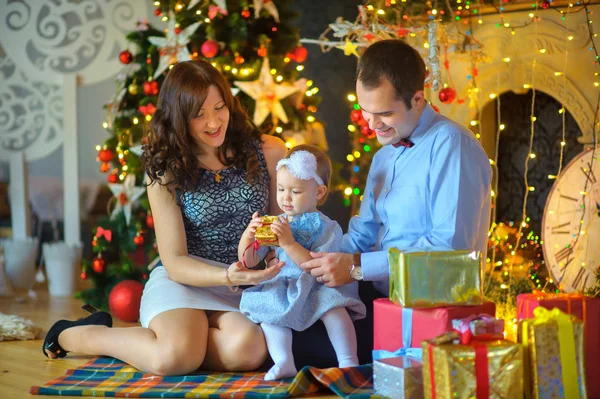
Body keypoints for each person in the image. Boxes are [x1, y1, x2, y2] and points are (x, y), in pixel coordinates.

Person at [42, 59, 288, 376]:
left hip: (244, 283)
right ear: (179, 118)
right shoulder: (164, 168)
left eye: (219, 107)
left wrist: (269, 261)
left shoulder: (270, 151)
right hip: (184, 280)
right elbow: (174, 260)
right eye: (199, 114)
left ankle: (183, 343)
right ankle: (75, 334)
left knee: (249, 350)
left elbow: (278, 224)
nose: (214, 122)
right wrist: (229, 275)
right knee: (173, 359)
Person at [298, 39, 492, 363]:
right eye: (365, 111)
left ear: (417, 99)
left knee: (301, 349)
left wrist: (359, 268)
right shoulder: (384, 155)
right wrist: (307, 261)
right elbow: (361, 235)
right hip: (375, 302)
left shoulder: (452, 146)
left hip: (425, 311)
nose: (372, 125)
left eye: (384, 113)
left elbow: (451, 249)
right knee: (283, 326)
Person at [237, 145, 366, 380]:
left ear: (318, 192)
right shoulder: (275, 222)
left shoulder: (328, 227)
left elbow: (314, 265)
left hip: (316, 284)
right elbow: (249, 260)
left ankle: (348, 359)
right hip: (283, 283)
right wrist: (249, 236)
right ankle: (284, 360)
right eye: (281, 189)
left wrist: (288, 244)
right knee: (268, 311)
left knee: (335, 309)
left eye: (295, 191)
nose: (285, 197)